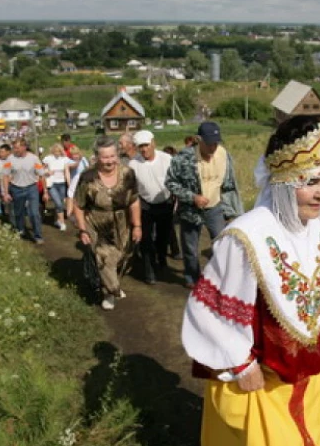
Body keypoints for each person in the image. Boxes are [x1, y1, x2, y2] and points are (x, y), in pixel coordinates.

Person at [181, 116, 320, 446]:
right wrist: (240, 364)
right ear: (285, 182)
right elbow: (210, 308)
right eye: (310, 181)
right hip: (263, 374)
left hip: (307, 370)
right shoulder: (246, 236)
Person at [165, 121, 242, 288]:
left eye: (216, 142)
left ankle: (221, 278)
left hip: (215, 208)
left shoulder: (223, 154)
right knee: (191, 249)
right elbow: (170, 183)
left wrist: (231, 209)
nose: (213, 147)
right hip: (191, 210)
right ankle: (192, 278)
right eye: (209, 143)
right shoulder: (182, 158)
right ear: (198, 139)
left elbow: (229, 183)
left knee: (222, 244)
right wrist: (192, 197)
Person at [72, 136, 142, 311]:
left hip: (122, 223)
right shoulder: (88, 177)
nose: (110, 161)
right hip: (96, 223)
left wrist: (137, 226)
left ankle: (111, 284)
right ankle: (111, 292)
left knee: (122, 257)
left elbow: (134, 201)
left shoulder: (127, 173)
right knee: (105, 257)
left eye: (112, 156)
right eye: (105, 157)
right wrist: (82, 229)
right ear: (97, 157)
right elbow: (79, 205)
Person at [129, 130, 174, 285]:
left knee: (163, 237)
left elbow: (175, 179)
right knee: (146, 238)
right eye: (140, 146)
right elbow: (131, 187)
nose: (144, 149)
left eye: (146, 145)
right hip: (145, 204)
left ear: (153, 143)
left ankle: (161, 257)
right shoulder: (134, 164)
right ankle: (149, 270)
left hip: (165, 202)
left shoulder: (166, 159)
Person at [2, 139, 48, 244]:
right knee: (18, 213)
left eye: (17, 148)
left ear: (24, 147)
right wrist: (6, 192)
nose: (15, 150)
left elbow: (41, 175)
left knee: (34, 213)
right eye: (14, 148)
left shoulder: (34, 159)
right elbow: (5, 176)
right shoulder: (10, 159)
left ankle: (38, 236)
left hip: (31, 188)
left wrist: (45, 191)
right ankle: (20, 230)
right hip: (16, 188)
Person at [42, 143, 71, 231]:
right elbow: (41, 170)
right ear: (53, 151)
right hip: (52, 184)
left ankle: (56, 219)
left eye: (59, 151)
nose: (57, 153)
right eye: (55, 151)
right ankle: (62, 223)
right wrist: (47, 172)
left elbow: (67, 171)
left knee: (60, 203)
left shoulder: (64, 159)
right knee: (58, 203)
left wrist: (69, 184)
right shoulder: (48, 159)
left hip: (62, 183)